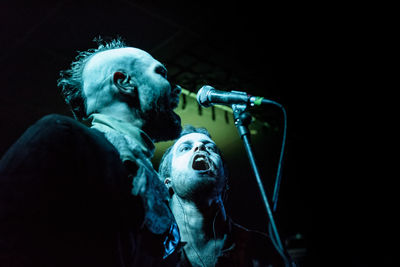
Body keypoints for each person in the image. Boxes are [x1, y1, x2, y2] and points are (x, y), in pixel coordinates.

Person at [0, 38, 182, 267]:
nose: (175, 88)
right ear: (124, 82)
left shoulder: (152, 181)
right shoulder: (62, 137)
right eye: (160, 73)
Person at [158, 125, 286, 267]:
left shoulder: (260, 247)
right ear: (168, 181)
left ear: (225, 178)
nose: (200, 146)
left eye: (211, 148)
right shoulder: (150, 248)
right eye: (185, 148)